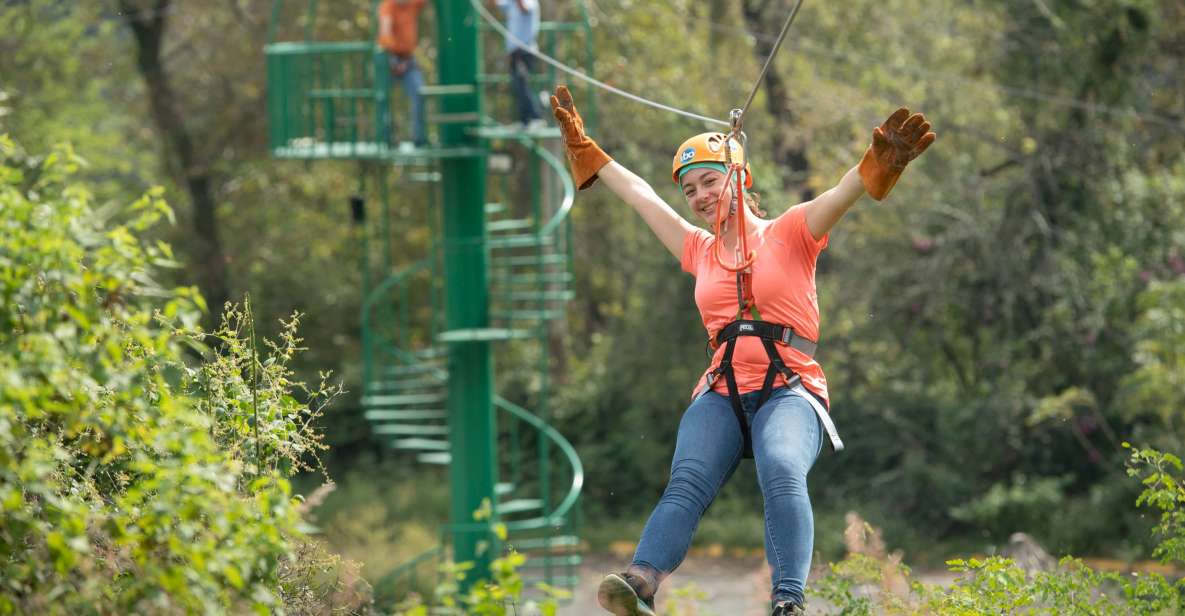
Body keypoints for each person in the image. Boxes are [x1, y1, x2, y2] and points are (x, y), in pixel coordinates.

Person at [549, 85, 935, 616]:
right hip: (722, 391)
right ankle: (639, 580)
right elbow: (640, 195)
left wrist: (880, 161)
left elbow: (845, 191)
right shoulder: (697, 249)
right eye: (690, 190)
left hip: (790, 390)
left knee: (780, 466)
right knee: (687, 478)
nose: (700, 196)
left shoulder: (793, 231)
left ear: (740, 177)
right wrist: (585, 149)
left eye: (709, 180)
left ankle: (788, 602)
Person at [378, 0, 428, 148]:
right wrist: (394, 60)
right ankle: (387, 137)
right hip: (389, 57)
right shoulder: (388, 6)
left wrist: (404, 62)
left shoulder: (413, 4)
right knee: (383, 98)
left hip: (408, 59)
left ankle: (418, 137)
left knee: (419, 93)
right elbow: (385, 31)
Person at [495, 0, 544, 128]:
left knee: (523, 83)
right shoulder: (510, 4)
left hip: (525, 51)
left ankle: (536, 117)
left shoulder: (530, 3)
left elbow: (524, 8)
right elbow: (496, 4)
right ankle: (524, 121)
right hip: (514, 52)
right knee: (518, 85)